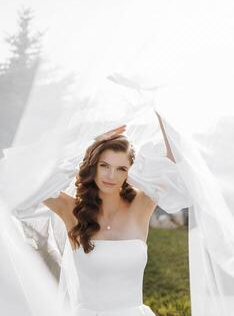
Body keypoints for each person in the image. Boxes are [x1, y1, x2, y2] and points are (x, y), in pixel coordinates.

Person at [40, 114, 190, 316]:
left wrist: (160, 108)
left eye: (121, 169)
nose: (111, 176)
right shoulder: (72, 209)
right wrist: (90, 147)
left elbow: (172, 163)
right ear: (93, 165)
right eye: (104, 166)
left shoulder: (141, 205)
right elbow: (34, 183)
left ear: (130, 172)